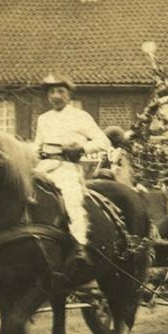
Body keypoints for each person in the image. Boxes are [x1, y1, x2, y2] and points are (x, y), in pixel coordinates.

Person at [33, 74, 111, 265]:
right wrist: (35, 153)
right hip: (44, 167)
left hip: (67, 168)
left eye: (60, 91)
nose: (56, 96)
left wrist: (81, 148)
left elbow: (104, 141)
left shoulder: (80, 116)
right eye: (51, 92)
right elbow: (37, 145)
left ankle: (79, 245)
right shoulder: (44, 119)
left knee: (71, 200)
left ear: (69, 95)